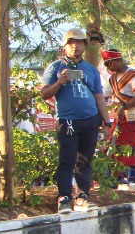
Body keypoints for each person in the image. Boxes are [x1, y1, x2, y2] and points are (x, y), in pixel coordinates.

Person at [39, 29, 110, 213]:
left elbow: (99, 96)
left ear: (85, 45)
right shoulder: (55, 67)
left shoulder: (91, 69)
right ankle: (64, 197)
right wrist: (58, 83)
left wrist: (107, 122)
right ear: (65, 46)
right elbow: (44, 93)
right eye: (71, 42)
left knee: (85, 160)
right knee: (67, 159)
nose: (75, 46)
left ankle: (82, 196)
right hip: (68, 120)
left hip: (90, 120)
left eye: (79, 42)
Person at [101, 49, 135, 193]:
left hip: (133, 118)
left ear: (117, 61)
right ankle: (114, 180)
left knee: (133, 149)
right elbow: (104, 96)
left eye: (108, 63)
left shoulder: (133, 76)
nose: (107, 67)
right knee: (117, 148)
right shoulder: (112, 79)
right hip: (120, 119)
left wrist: (124, 106)